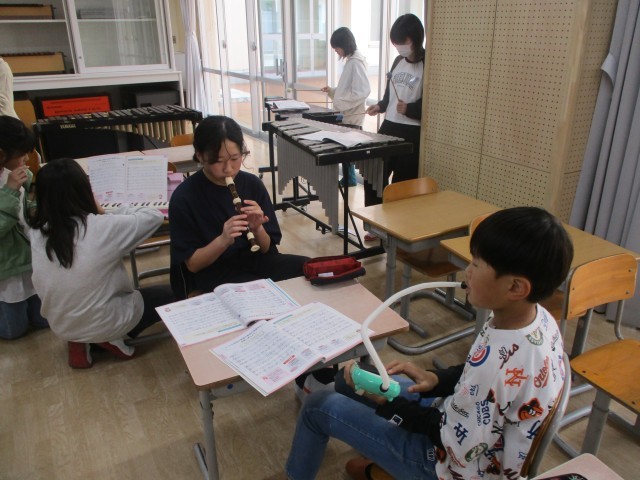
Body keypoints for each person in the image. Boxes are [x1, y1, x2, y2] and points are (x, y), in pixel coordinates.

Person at [285, 206, 573, 480]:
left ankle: (383, 456)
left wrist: (389, 406)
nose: (467, 271)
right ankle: (379, 453)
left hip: (444, 465)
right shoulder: (535, 319)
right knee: (348, 383)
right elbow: (481, 382)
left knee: (318, 405)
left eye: (476, 264)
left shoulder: (498, 365)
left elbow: (450, 439)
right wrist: (436, 379)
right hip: (458, 421)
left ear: (515, 287)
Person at [27, 158, 169, 368]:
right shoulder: (100, 227)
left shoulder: (36, 231)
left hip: (60, 324)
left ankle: (78, 340)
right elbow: (154, 216)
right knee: (174, 291)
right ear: (84, 191)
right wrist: (103, 210)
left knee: (81, 295)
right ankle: (110, 338)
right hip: (106, 320)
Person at [169, 115, 308, 299]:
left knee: (307, 268)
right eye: (218, 161)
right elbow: (193, 265)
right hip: (213, 272)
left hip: (255, 262)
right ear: (200, 156)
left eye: (235, 158)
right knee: (260, 295)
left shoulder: (252, 184)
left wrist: (258, 229)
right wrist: (223, 240)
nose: (228, 169)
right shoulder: (184, 197)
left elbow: (267, 249)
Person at [363, 13, 425, 240]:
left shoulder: (428, 63)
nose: (399, 46)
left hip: (412, 132)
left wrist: (410, 109)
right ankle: (375, 225)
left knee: (400, 185)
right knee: (373, 175)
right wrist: (380, 106)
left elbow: (433, 105)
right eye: (396, 42)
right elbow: (390, 95)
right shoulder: (398, 61)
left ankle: (395, 230)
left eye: (402, 41)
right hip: (389, 126)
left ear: (415, 39)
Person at [0, 115, 48, 340]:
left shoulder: (18, 174)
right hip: (6, 269)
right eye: (21, 155)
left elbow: (27, 207)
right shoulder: (10, 181)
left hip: (28, 260)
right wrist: (10, 191)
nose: (26, 159)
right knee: (14, 331)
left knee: (43, 320)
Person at [321, 27, 371, 187]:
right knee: (344, 148)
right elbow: (347, 89)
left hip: (352, 115)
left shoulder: (356, 62)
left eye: (336, 47)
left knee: (347, 148)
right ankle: (349, 178)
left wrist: (340, 103)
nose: (335, 50)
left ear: (344, 44)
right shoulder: (351, 61)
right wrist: (332, 91)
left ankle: (350, 179)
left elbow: (362, 91)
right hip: (347, 114)